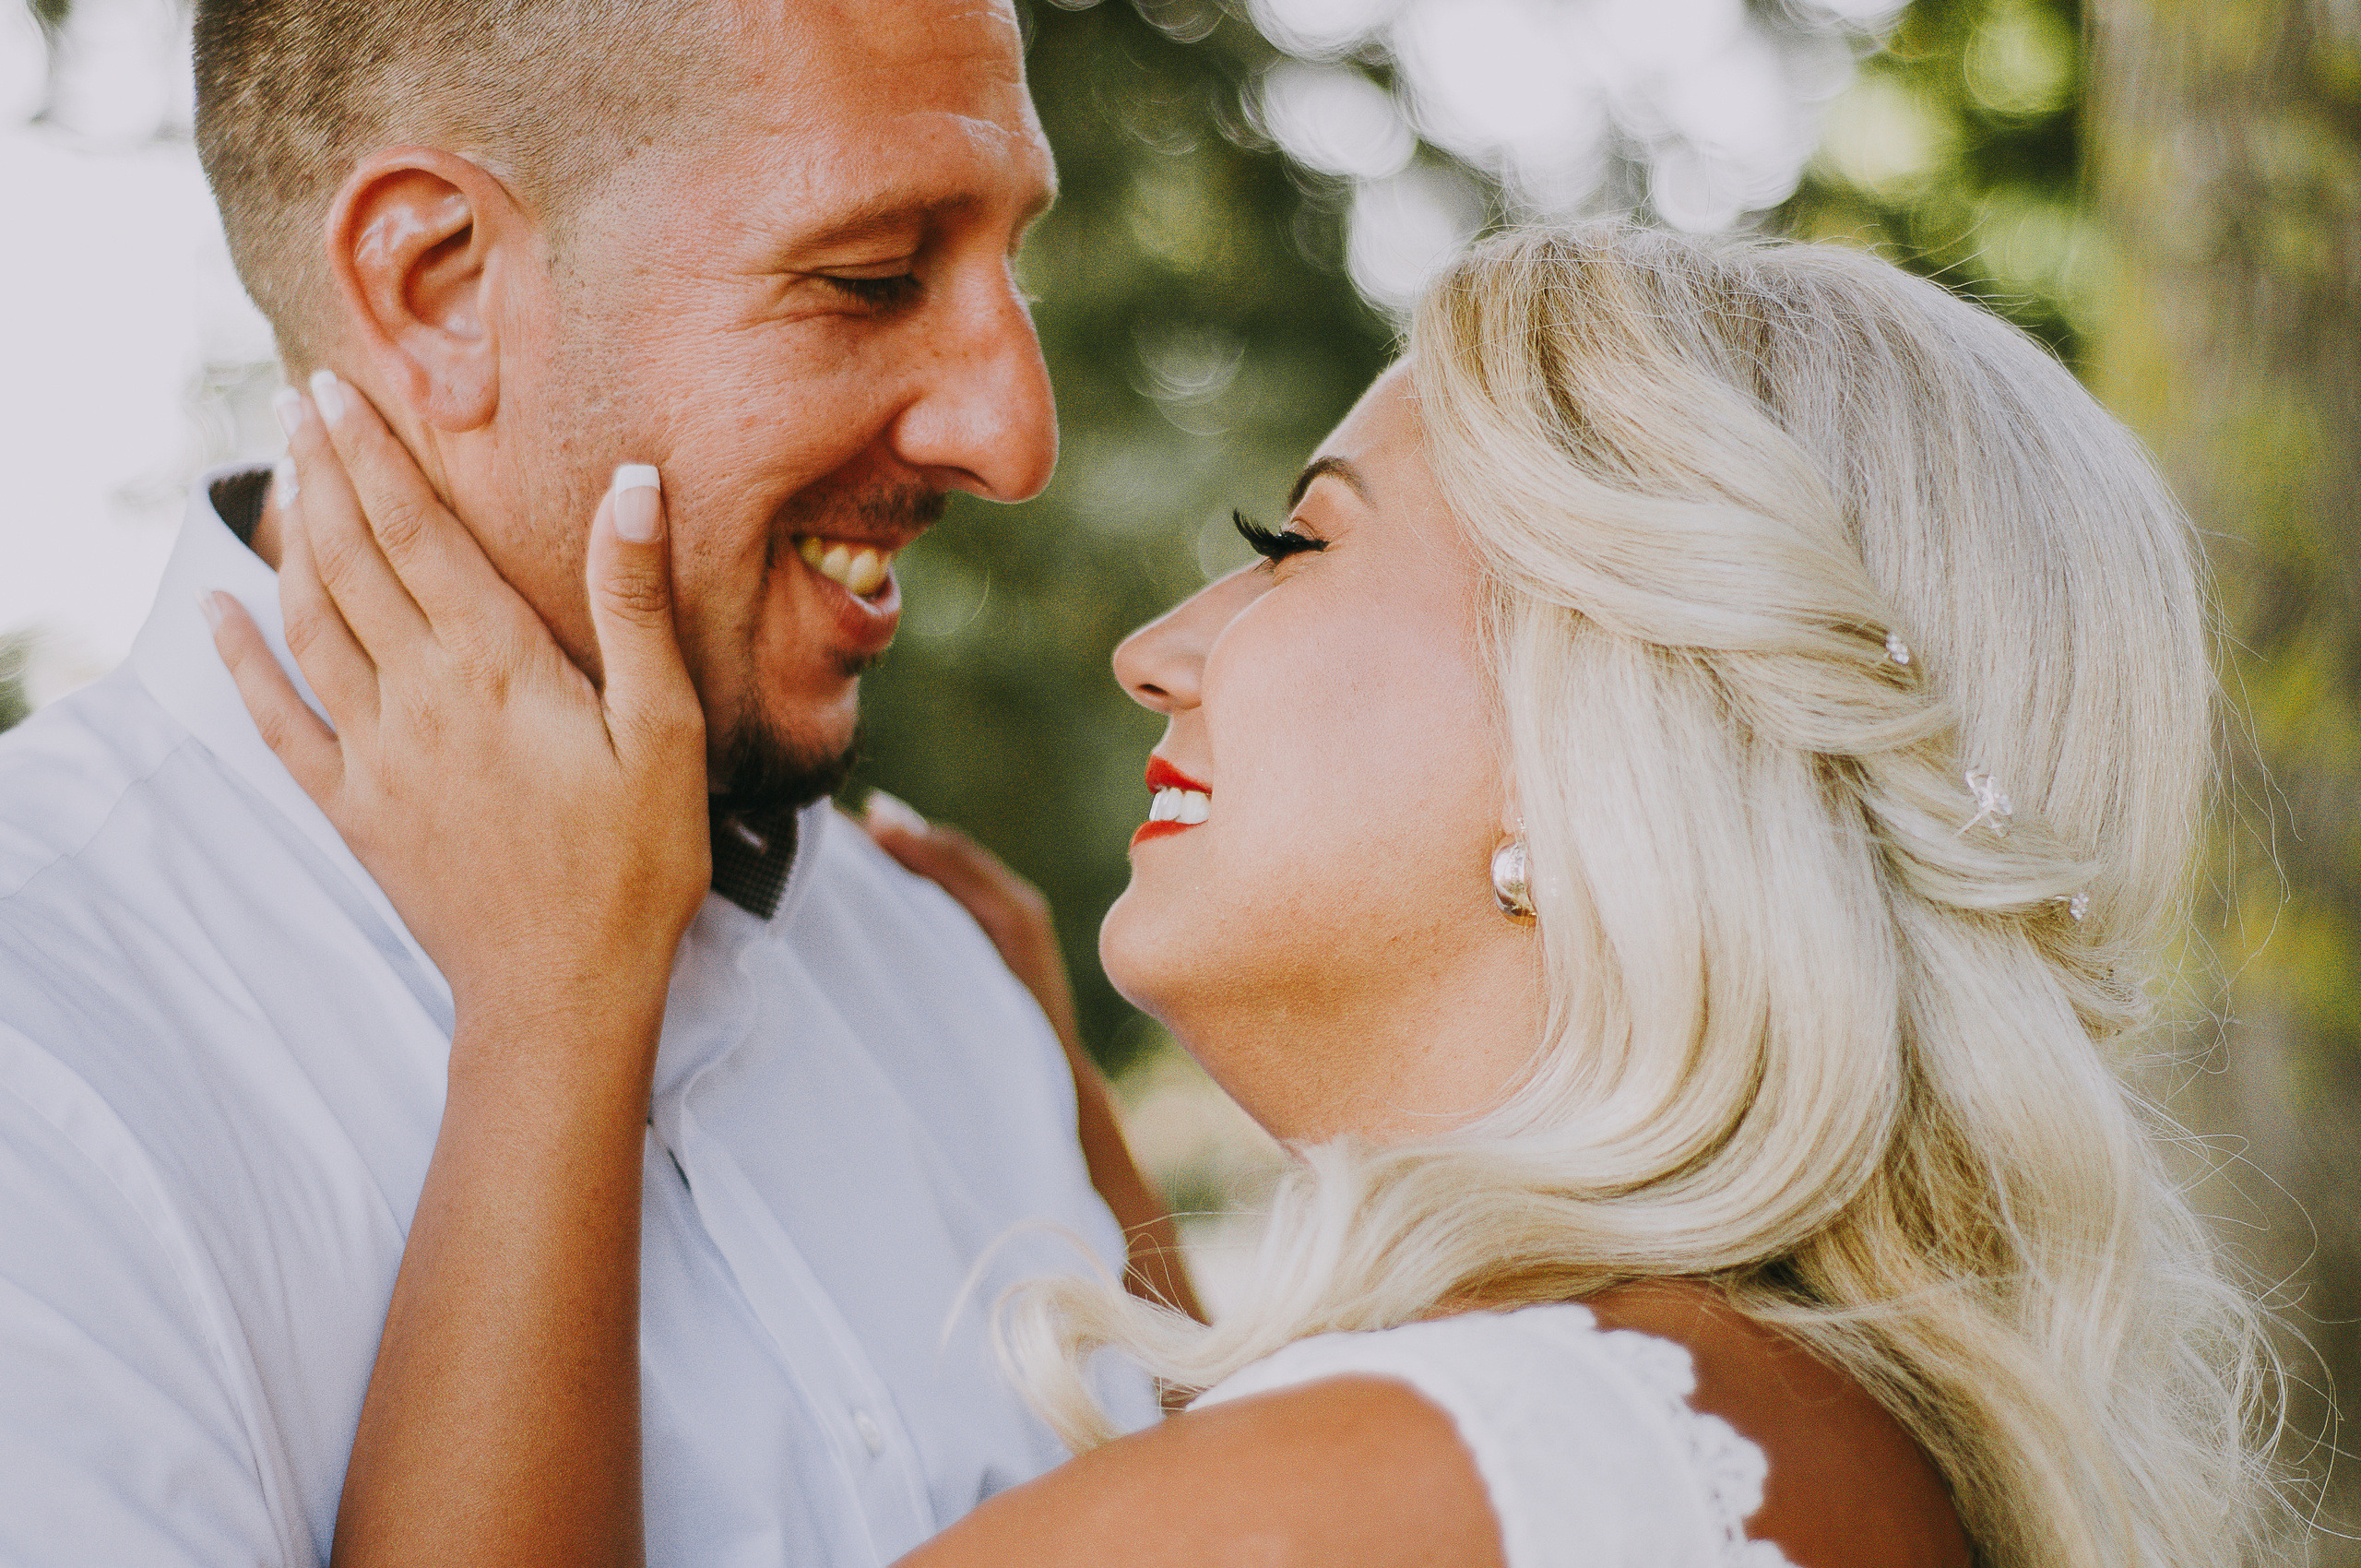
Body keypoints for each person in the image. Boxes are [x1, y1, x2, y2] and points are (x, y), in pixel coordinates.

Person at [220, 222, 2284, 1568]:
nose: (1162, 645)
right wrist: (1074, 1137)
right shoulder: (1792, 1435)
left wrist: (549, 1003)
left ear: (1612, 719)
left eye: (1292, 546)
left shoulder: (1404, 1487)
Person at [0, 1, 1193, 1563]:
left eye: (1007, 262)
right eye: (871, 278)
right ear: (437, 288)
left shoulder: (952, 968)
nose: (1015, 436)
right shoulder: (48, 1067)